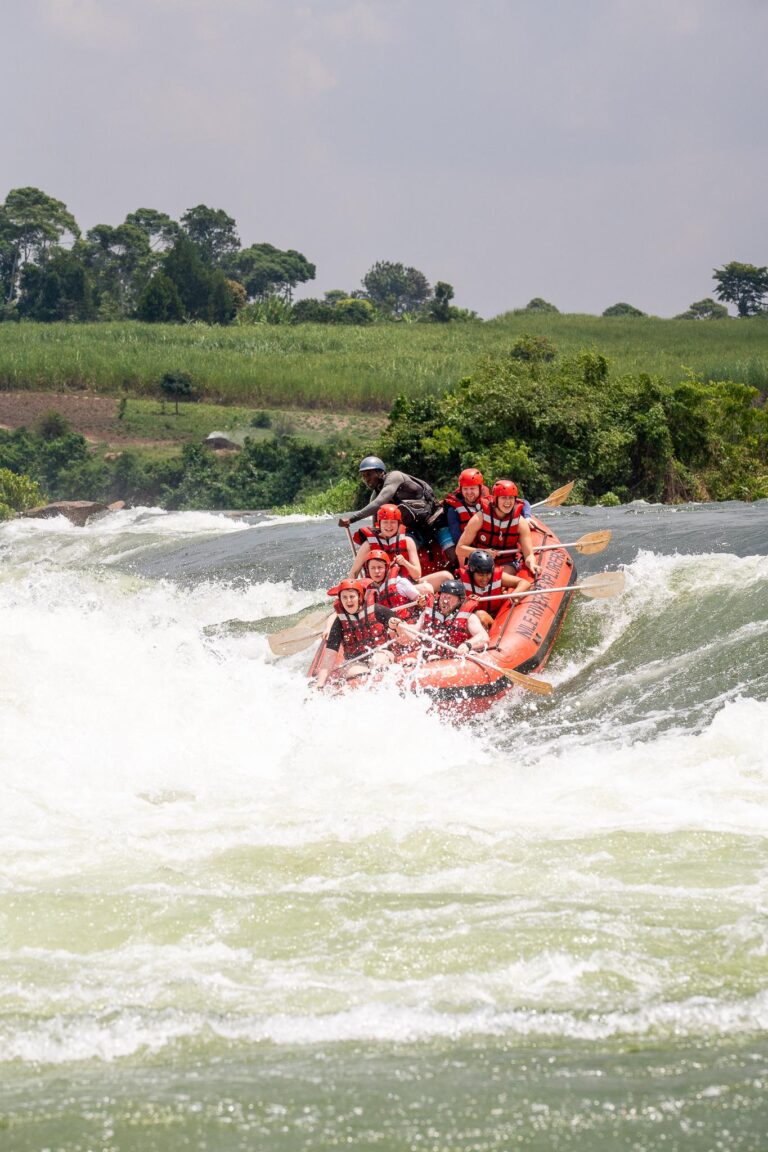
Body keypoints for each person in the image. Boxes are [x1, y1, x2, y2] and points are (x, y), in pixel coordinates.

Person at [314, 578, 401, 689]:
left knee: (378, 662)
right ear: (340, 600)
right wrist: (320, 683)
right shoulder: (339, 622)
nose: (348, 601)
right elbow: (330, 655)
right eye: (344, 597)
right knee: (356, 675)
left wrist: (394, 624)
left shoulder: (377, 610)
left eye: (352, 597)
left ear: (359, 597)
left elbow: (395, 623)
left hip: (381, 652)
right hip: (355, 660)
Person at [338, 456, 438, 543]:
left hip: (428, 514)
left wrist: (352, 519)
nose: (366, 479)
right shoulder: (375, 494)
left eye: (369, 474)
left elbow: (379, 503)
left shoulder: (394, 476)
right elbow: (376, 521)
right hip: (412, 523)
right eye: (363, 476)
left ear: (380, 472)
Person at [456, 480, 539, 578]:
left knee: (498, 577)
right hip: (480, 563)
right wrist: (482, 552)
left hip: (507, 564)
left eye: (511, 498)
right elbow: (459, 549)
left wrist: (532, 563)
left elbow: (528, 554)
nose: (508, 502)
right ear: (496, 499)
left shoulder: (520, 523)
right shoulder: (479, 518)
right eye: (504, 498)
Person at [394, 578, 489, 658]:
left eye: (450, 598)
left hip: (456, 658)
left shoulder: (469, 617)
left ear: (460, 601)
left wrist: (468, 645)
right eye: (443, 597)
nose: (445, 601)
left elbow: (484, 637)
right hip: (431, 657)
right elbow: (415, 631)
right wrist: (400, 626)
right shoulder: (429, 612)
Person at [456, 549, 533, 630]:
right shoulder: (461, 583)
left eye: (488, 574)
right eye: (481, 575)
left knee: (482, 615)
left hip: (496, 615)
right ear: (472, 572)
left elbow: (525, 583)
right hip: (472, 619)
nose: (485, 578)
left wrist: (516, 594)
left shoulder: (497, 576)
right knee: (481, 615)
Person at [348, 504, 422, 581]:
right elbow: (354, 572)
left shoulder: (408, 541)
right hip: (377, 589)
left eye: (393, 522)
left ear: (398, 524)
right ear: (379, 524)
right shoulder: (368, 545)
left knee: (427, 587)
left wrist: (405, 563)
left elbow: (417, 575)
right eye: (385, 522)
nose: (389, 526)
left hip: (404, 586)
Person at [437, 467, 490, 569]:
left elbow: (523, 503)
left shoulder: (488, 499)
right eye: (465, 489)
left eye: (472, 488)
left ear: (480, 488)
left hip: (480, 540)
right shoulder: (454, 510)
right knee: (454, 557)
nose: (469, 492)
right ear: (461, 489)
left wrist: (527, 517)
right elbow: (458, 539)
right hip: (450, 531)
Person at [362, 549, 427, 620]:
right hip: (387, 628)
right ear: (368, 570)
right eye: (372, 568)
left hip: (408, 623)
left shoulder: (400, 583)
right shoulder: (368, 592)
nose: (376, 571)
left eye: (380, 567)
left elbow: (420, 602)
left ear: (386, 568)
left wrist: (421, 601)